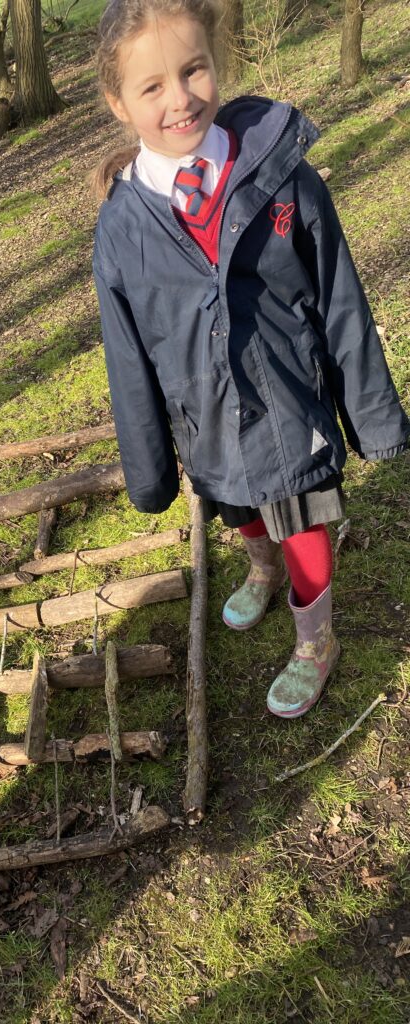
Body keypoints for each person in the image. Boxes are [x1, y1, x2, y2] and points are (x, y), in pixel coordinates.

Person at [92, 0, 409, 717]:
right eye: (152, 87)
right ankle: (259, 567)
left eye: (193, 69)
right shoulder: (121, 228)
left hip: (290, 406)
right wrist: (148, 469)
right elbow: (126, 356)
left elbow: (340, 300)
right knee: (239, 505)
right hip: (202, 415)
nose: (180, 98)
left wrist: (373, 418)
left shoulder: (281, 175)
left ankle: (314, 638)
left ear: (217, 64)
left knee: (301, 520)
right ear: (119, 103)